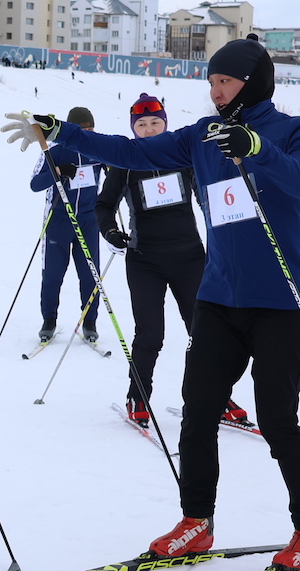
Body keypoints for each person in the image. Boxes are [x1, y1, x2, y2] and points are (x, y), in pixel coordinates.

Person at [2, 38, 300, 569]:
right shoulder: (201, 137)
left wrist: (256, 149)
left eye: (225, 82)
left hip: (281, 303)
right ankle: (196, 521)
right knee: (197, 411)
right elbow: (133, 152)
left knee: (277, 419)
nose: (216, 92)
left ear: (254, 82)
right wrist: (67, 134)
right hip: (219, 298)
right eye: (212, 83)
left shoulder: (295, 132)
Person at [96, 94, 245, 430]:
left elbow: (206, 197)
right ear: (134, 130)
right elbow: (103, 205)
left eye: (155, 123)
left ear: (165, 123)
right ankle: (138, 396)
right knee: (150, 336)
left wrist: (226, 223)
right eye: (142, 126)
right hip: (144, 260)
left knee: (205, 332)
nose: (149, 131)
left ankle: (216, 396)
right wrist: (110, 231)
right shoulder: (126, 162)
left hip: (190, 258)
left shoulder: (183, 155)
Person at [29, 106, 102, 345]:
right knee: (52, 274)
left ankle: (89, 322)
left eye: (91, 129)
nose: (87, 134)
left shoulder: (98, 150)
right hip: (59, 220)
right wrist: (58, 171)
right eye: (82, 130)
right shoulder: (55, 151)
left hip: (88, 220)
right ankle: (48, 320)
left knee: (90, 274)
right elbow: (35, 184)